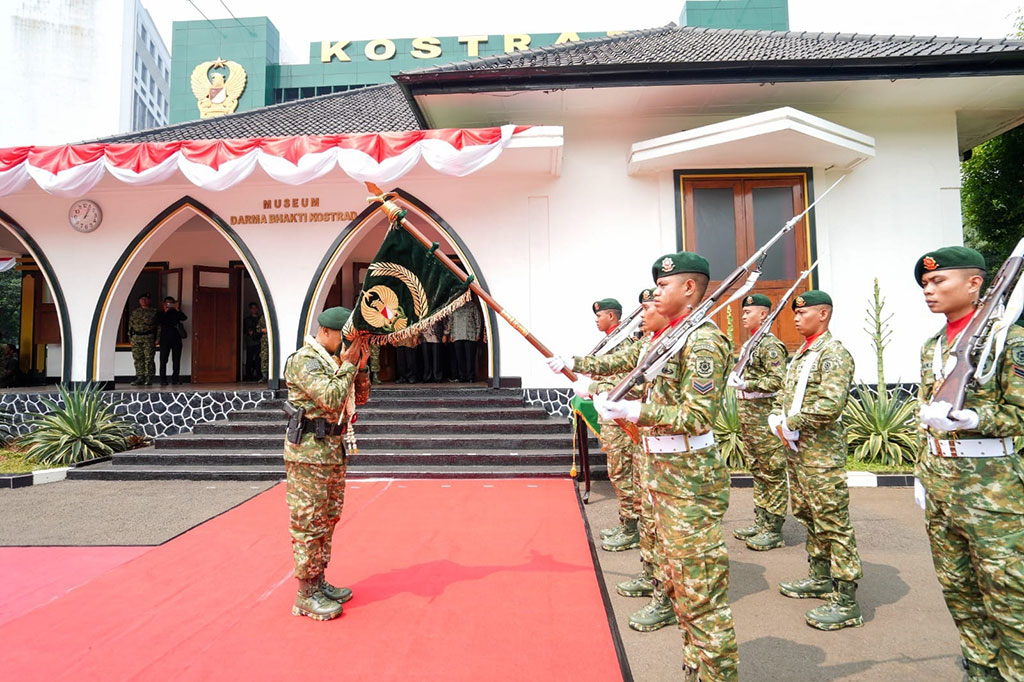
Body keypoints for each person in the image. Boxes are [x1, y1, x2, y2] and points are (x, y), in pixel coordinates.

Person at [550, 253, 738, 681]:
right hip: (661, 471)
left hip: (689, 478)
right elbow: (622, 363)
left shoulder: (703, 340)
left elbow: (697, 415)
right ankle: (696, 668)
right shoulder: (667, 338)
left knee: (700, 590)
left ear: (689, 288)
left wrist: (636, 410)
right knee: (679, 585)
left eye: (663, 286)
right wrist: (574, 367)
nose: (654, 294)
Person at [914, 246, 1024, 682]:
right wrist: (924, 468)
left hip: (992, 491)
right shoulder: (933, 346)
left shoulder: (1009, 340)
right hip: (942, 483)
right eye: (925, 283)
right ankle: (980, 668)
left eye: (939, 281)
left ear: (975, 283)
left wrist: (979, 419)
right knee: (959, 590)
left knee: (1009, 594)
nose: (929, 290)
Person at [770, 290, 863, 631]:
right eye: (795, 312)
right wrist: (776, 418)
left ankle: (846, 597)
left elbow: (830, 405)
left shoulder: (833, 354)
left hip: (821, 456)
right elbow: (786, 394)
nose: (796, 317)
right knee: (808, 514)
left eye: (803, 312)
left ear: (823, 314)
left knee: (833, 522)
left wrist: (791, 423)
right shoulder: (802, 354)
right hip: (799, 453)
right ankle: (821, 576)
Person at [283, 306, 369, 621]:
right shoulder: (304, 362)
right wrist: (347, 364)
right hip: (308, 455)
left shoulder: (333, 361)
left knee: (328, 519)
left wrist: (360, 367)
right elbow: (331, 398)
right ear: (327, 332)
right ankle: (305, 594)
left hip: (331, 451)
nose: (347, 346)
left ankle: (318, 581)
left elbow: (361, 397)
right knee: (309, 523)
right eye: (345, 339)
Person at [564, 298, 640, 553]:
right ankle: (626, 522)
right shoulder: (612, 341)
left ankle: (632, 527)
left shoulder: (623, 343)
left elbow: (624, 381)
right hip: (611, 418)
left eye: (600, 316)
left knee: (623, 473)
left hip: (620, 418)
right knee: (617, 472)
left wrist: (595, 386)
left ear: (611, 316)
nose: (596, 319)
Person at [727, 294, 789, 551]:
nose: (743, 316)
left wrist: (747, 384)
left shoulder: (769, 345)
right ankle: (761, 520)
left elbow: (778, 380)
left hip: (764, 418)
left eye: (748, 311)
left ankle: (773, 529)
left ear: (763, 315)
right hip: (749, 418)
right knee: (758, 470)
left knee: (771, 472)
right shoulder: (751, 344)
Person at [445, 297, 483, 382]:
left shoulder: (472, 306)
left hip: (470, 334)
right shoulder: (454, 306)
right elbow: (450, 321)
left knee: (470, 358)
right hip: (457, 335)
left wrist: (478, 333)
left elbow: (477, 319)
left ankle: (471, 377)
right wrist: (450, 334)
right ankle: (462, 377)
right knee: (460, 358)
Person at [128, 292, 159, 386]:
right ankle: (140, 377)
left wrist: (158, 338)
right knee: (138, 358)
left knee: (149, 358)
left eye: (146, 299)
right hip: (136, 337)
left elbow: (158, 326)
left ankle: (149, 377)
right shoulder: (135, 312)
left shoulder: (154, 312)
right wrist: (130, 338)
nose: (144, 301)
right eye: (142, 299)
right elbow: (131, 326)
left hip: (148, 337)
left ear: (149, 300)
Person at [157, 296, 187, 385]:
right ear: (164, 304)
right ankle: (163, 379)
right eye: (167, 303)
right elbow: (158, 321)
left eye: (171, 303)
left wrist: (177, 309)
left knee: (176, 360)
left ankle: (175, 379)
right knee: (163, 360)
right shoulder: (161, 313)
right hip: (164, 339)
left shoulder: (176, 312)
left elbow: (184, 318)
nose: (169, 305)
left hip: (176, 338)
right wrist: (165, 311)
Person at [243, 302, 262, 381]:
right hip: (250, 342)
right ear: (250, 310)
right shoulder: (247, 320)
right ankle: (248, 376)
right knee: (249, 359)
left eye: (255, 308)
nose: (254, 310)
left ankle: (259, 375)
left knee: (259, 360)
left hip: (259, 342)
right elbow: (248, 331)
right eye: (252, 308)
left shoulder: (261, 318)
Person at [257, 313, 269, 383]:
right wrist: (263, 330)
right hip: (265, 341)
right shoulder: (263, 317)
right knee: (264, 357)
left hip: (274, 341)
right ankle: (264, 376)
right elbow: (258, 328)